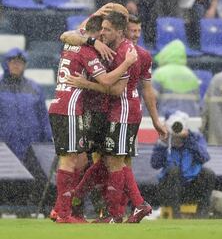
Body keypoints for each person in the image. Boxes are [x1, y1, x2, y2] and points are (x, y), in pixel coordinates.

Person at [66, 11, 167, 223]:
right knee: (108, 161)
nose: (136, 34)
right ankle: (85, 201)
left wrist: (156, 119)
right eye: (133, 30)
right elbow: (69, 35)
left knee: (116, 162)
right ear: (125, 31)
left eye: (139, 31)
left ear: (118, 31)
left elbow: (124, 89)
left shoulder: (132, 54)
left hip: (123, 112)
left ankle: (117, 212)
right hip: (107, 111)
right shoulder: (112, 47)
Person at [48, 15, 138, 223]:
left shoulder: (72, 44)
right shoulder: (88, 51)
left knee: (79, 160)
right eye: (103, 32)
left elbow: (70, 34)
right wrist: (127, 63)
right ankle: (62, 213)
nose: (104, 37)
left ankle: (67, 209)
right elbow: (107, 81)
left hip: (65, 105)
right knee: (70, 159)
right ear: (97, 34)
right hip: (68, 108)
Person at [151, 110, 215, 218]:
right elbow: (155, 164)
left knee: (208, 173)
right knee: (173, 171)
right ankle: (176, 216)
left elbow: (204, 157)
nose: (177, 130)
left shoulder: (194, 137)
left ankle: (201, 216)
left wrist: (188, 139)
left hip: (191, 188)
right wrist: (163, 143)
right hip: (169, 190)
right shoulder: (164, 140)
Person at [0, 48, 52, 161]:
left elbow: (43, 118)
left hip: (31, 148)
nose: (16, 65)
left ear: (25, 65)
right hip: (3, 149)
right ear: (6, 63)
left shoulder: (35, 88)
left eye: (20, 62)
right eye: (13, 61)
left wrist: (47, 142)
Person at [152, 39, 201, 117]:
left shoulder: (159, 74)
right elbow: (197, 105)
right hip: (189, 124)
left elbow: (149, 103)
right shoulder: (192, 76)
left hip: (166, 124)